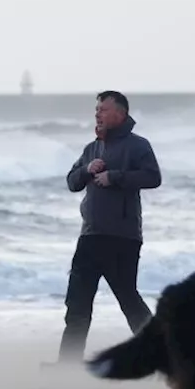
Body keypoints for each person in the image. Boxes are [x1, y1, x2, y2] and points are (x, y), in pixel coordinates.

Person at [55, 90, 163, 365]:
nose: (97, 114)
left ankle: (162, 355)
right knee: (77, 305)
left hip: (122, 237)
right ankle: (67, 364)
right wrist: (87, 169)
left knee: (129, 300)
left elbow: (153, 177)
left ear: (121, 114)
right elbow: (71, 182)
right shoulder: (92, 148)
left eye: (103, 109)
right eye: (97, 110)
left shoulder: (138, 145)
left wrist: (114, 176)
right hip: (90, 235)